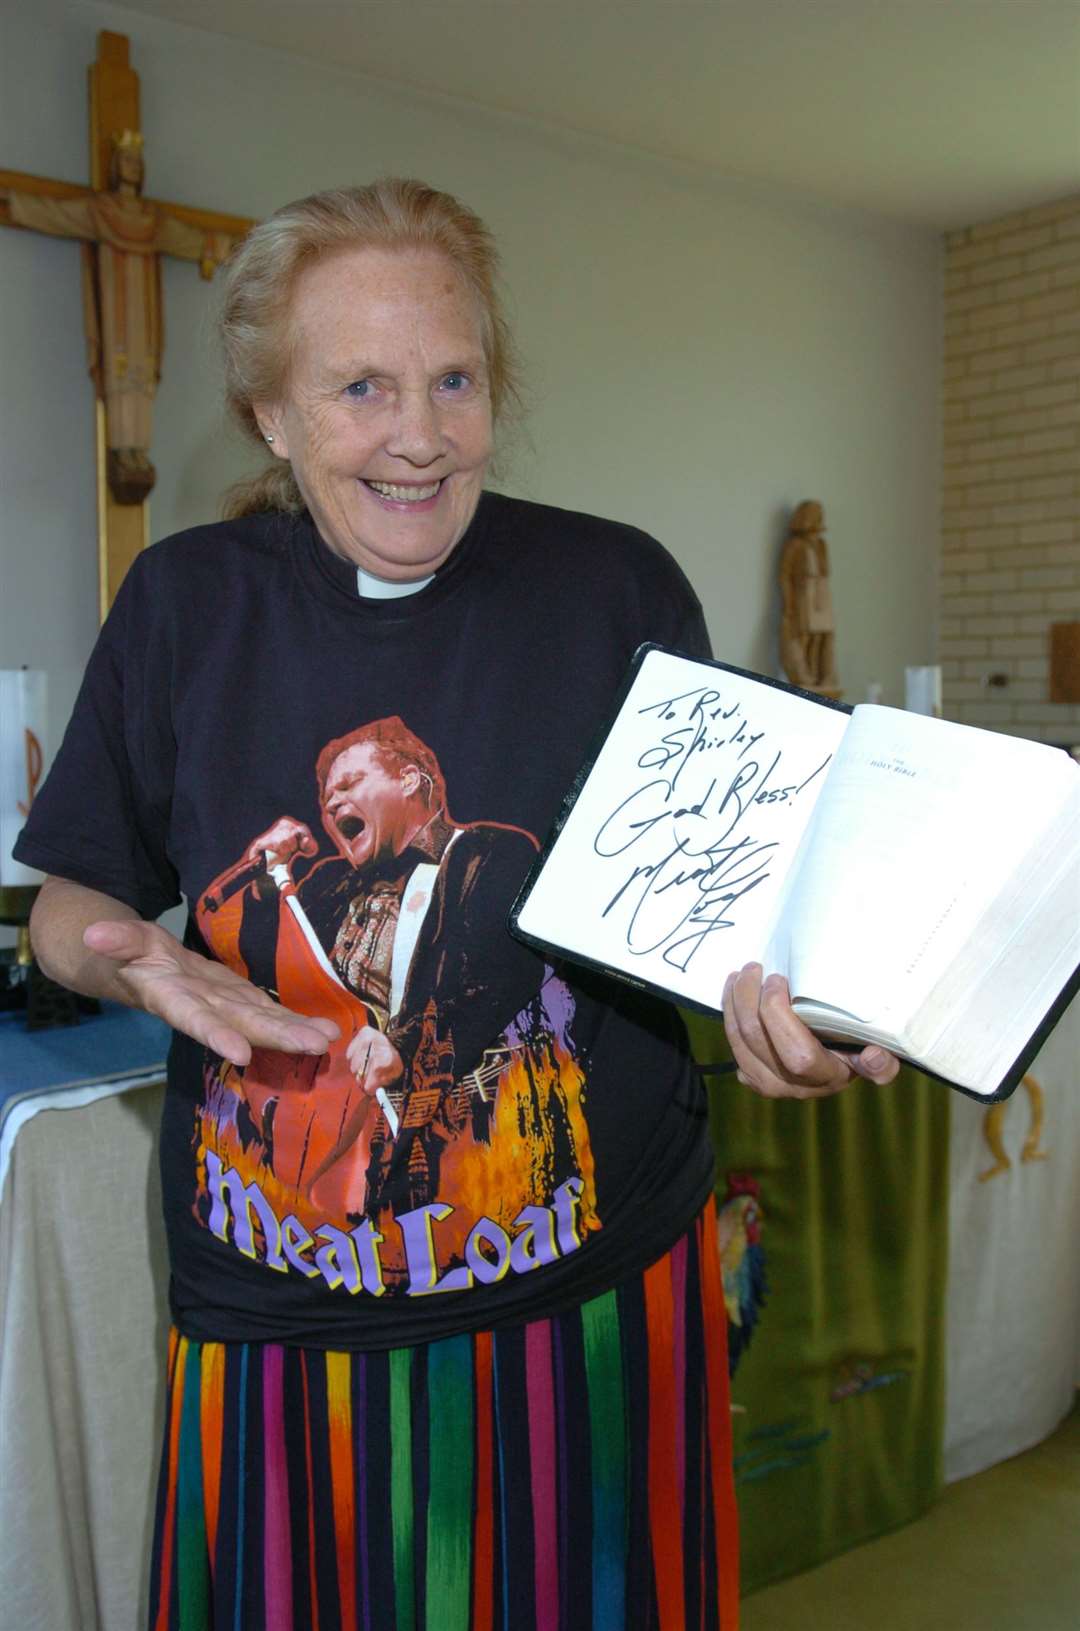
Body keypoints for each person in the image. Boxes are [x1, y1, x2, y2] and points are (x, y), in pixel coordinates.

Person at [17, 178, 898, 1630]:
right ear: (270, 417)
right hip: (284, 1324)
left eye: (453, 379)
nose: (418, 433)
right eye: (359, 385)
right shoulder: (184, 605)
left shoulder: (613, 587)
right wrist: (131, 959)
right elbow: (73, 901)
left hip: (601, 1299)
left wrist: (791, 995)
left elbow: (728, 907)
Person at [1, 131, 237, 502]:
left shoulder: (151, 220)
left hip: (143, 313)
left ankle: (138, 449)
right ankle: (123, 450)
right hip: (115, 315)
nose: (131, 166)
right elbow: (58, 214)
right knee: (120, 372)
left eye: (135, 161)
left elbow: (191, 238)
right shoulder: (101, 211)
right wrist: (15, 201)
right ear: (114, 168)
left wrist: (224, 245)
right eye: (125, 160)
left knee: (141, 379)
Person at [778, 498, 841, 698]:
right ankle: (804, 674)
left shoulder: (820, 544)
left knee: (821, 635)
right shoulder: (794, 545)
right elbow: (784, 575)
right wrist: (788, 601)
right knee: (804, 633)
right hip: (804, 592)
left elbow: (825, 571)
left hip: (820, 590)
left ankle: (817, 674)